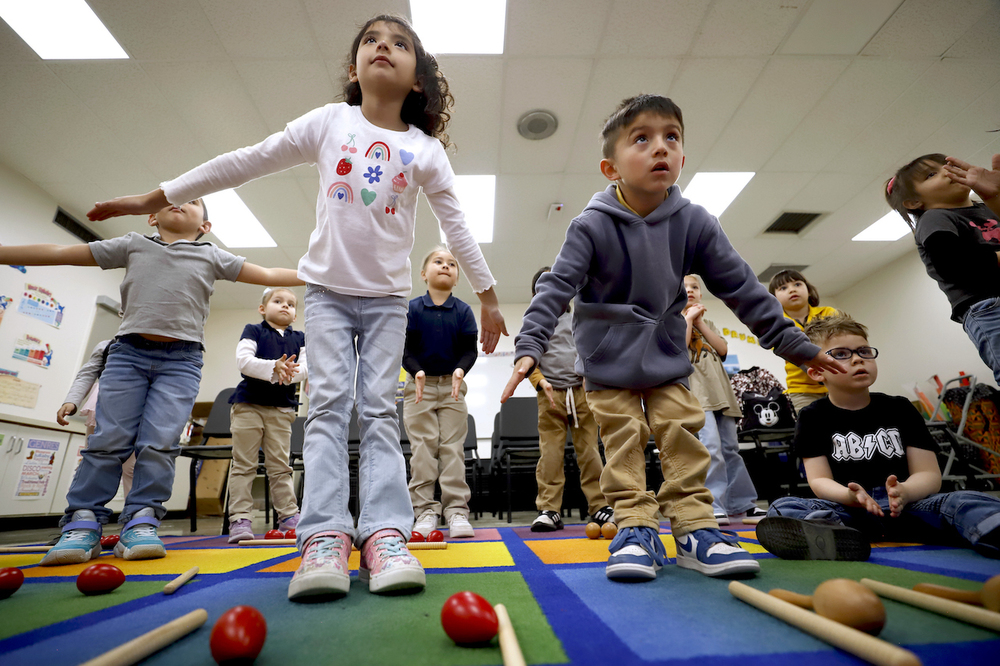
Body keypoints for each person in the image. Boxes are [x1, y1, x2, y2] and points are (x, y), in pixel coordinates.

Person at [87, 14, 506, 600]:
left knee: (380, 413)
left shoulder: (423, 149)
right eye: (370, 41)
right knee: (330, 407)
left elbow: (456, 225)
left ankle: (386, 532)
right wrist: (158, 197)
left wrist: (487, 296)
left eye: (399, 43)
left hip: (386, 302)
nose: (382, 47)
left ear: (418, 80)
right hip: (330, 295)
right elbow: (246, 159)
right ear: (355, 67)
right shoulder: (329, 122)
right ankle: (324, 536)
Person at [502, 94, 844, 582]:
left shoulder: (696, 223)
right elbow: (555, 289)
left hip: (665, 352)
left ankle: (695, 528)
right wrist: (528, 349)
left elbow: (744, 289)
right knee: (621, 443)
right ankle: (635, 527)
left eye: (672, 137)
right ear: (610, 167)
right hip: (606, 358)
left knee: (683, 436)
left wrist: (795, 344)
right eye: (641, 138)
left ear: (682, 155)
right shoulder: (590, 225)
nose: (660, 147)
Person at [0, 199, 303, 566]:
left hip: (183, 360)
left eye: (192, 202)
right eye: (170, 200)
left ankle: (141, 518)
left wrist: (329, 273)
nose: (179, 203)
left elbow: (270, 275)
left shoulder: (211, 255)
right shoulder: (132, 243)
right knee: (108, 439)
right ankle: (83, 521)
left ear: (205, 226)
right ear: (151, 216)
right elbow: (64, 251)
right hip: (128, 354)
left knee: (159, 442)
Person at [757, 313, 1000, 560]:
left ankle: (992, 530)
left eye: (863, 351)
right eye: (841, 354)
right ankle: (832, 536)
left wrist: (905, 491)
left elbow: (929, 475)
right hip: (850, 513)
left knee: (965, 500)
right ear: (817, 373)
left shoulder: (900, 408)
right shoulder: (812, 416)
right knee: (782, 507)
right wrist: (849, 497)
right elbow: (819, 480)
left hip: (909, 509)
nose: (856, 359)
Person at [885, 153, 1000, 384]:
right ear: (914, 202)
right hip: (987, 306)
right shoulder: (934, 218)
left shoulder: (984, 208)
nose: (947, 172)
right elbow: (951, 263)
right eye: (931, 174)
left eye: (947, 166)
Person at [526, 266, 611, 532]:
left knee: (590, 452)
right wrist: (540, 381)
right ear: (536, 294)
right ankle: (549, 509)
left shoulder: (581, 319)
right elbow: (527, 357)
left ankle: (599, 506)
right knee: (550, 453)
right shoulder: (536, 321)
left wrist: (591, 377)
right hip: (550, 396)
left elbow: (592, 351)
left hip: (582, 393)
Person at [404, 247, 478, 539]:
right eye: (438, 261)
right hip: (418, 389)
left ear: (457, 277)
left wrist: (460, 370)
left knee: (452, 449)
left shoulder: (463, 310)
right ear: (424, 274)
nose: (445, 266)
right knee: (422, 450)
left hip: (453, 388)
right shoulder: (412, 308)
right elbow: (405, 349)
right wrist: (416, 370)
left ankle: (456, 510)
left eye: (451, 264)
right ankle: (424, 511)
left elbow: (469, 350)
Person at [226, 287, 307, 544]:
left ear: (295, 315)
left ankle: (289, 516)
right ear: (263, 308)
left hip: (281, 411)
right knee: (244, 465)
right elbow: (244, 361)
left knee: (281, 467)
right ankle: (240, 518)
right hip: (248, 406)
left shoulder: (301, 337)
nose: (285, 306)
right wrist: (274, 366)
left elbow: (306, 368)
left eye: (291, 304)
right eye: (278, 301)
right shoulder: (253, 330)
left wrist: (288, 372)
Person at [682, 275, 762, 525]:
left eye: (695, 287)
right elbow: (679, 352)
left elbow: (723, 350)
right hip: (698, 398)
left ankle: (742, 504)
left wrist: (700, 322)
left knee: (731, 450)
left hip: (722, 397)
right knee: (711, 449)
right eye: (684, 289)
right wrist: (687, 320)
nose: (691, 291)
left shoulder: (710, 324)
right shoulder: (673, 323)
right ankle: (714, 504)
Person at [57, 339, 136, 502]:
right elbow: (87, 374)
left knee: (132, 468)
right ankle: (84, 511)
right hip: (102, 406)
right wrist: (71, 401)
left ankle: (136, 517)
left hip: (136, 408)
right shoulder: (106, 345)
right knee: (94, 462)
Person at [767, 269, 838, 415]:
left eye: (797, 284)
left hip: (838, 383)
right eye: (783, 288)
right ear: (774, 298)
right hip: (802, 390)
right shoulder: (776, 324)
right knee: (813, 433)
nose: (792, 289)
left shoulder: (829, 313)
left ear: (809, 290)